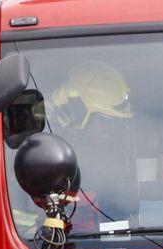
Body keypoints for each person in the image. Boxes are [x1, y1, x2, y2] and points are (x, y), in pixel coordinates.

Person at [47, 60, 137, 225]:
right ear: (77, 112)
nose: (108, 128)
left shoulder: (113, 158)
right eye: (102, 119)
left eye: (113, 121)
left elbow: (122, 214)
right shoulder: (43, 154)